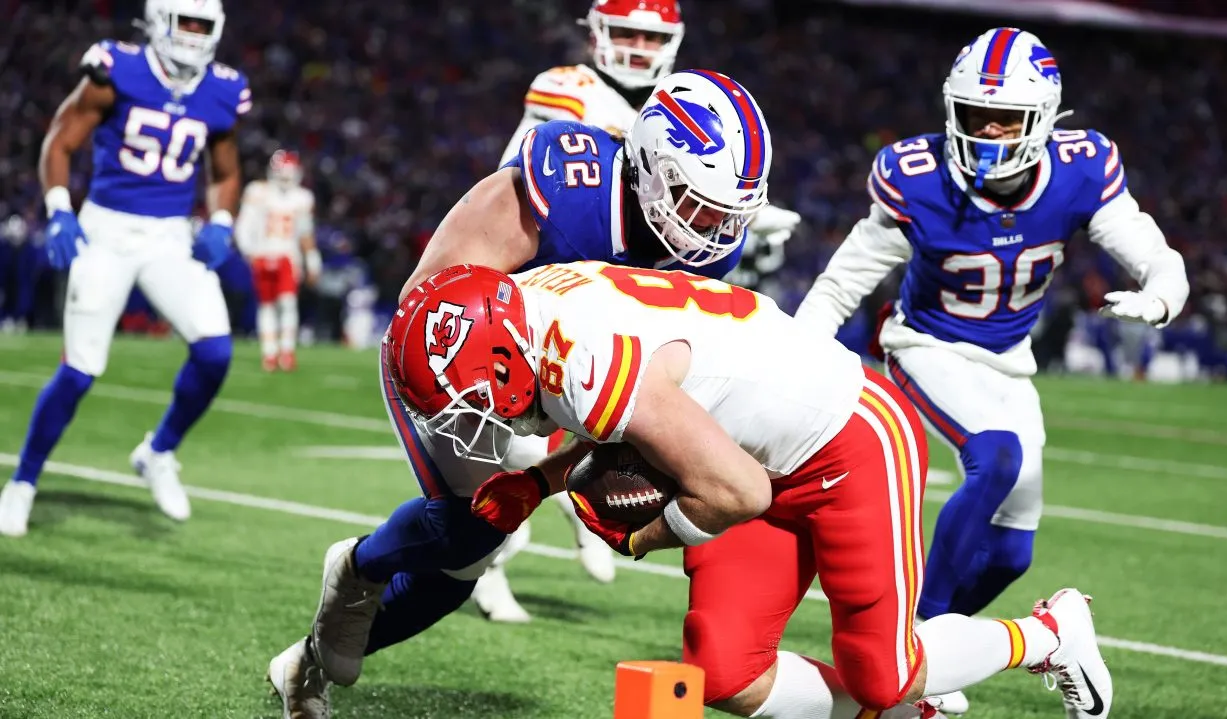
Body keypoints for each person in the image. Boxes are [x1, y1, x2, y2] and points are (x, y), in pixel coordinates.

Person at [266, 69, 776, 718]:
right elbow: (430, 292)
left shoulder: (702, 248)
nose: (709, 229)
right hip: (458, 350)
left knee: (454, 579)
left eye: (725, 212)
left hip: (553, 381)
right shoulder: (567, 187)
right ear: (650, 163)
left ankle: (305, 662)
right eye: (698, 203)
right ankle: (359, 567)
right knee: (467, 531)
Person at [419, 260, 1111, 719]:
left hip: (846, 437)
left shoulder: (578, 363)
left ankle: (1048, 633)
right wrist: (539, 482)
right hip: (745, 448)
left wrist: (645, 535)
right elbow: (642, 405)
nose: (466, 412)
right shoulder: (536, 308)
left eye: (466, 394)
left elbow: (738, 492)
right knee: (723, 672)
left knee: (881, 670)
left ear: (507, 354)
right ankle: (905, 709)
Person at [796, 27, 1188, 714]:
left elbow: (1159, 257)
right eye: (975, 114)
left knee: (1013, 552)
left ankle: (936, 653)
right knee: (996, 457)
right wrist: (794, 355)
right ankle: (912, 646)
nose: (987, 130)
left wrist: (1159, 296)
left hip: (1010, 362)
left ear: (1043, 117)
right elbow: (839, 285)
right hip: (925, 346)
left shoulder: (1080, 168)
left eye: (1005, 116)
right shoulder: (919, 180)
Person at [472, 0, 806, 624]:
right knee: (515, 449)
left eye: (647, 35)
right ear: (595, 32)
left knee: (625, 423)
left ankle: (572, 501)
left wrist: (744, 217)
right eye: (623, 31)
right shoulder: (567, 90)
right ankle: (493, 567)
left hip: (624, 289)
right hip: (557, 274)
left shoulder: (686, 101)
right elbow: (532, 184)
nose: (634, 47)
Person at [0, 0, 248, 537]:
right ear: (158, 21)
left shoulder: (223, 88)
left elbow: (226, 168)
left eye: (203, 26)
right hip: (107, 230)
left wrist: (223, 219)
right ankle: (21, 482)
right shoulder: (117, 69)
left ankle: (158, 451)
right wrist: (60, 210)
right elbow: (59, 142)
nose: (192, 37)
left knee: (215, 351)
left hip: (169, 235)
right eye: (185, 23)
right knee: (81, 370)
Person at [235, 149, 320, 372]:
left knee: (286, 304)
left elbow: (305, 233)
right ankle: (270, 352)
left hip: (287, 256)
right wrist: (249, 251)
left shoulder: (302, 197)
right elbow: (245, 225)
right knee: (268, 305)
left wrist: (312, 260)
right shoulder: (258, 191)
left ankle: (286, 351)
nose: (286, 180)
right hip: (263, 254)